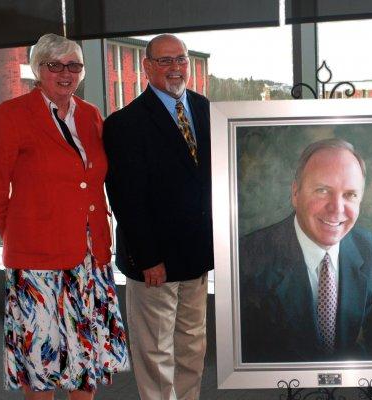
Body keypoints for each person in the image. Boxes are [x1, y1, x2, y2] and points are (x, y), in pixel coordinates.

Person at [0, 33, 128, 400]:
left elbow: (92, 182)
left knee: (84, 359)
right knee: (41, 363)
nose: (65, 73)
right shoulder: (11, 116)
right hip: (37, 263)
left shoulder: (91, 115)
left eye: (74, 65)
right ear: (37, 68)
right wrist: (25, 231)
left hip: (90, 258)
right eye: (54, 65)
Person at [103, 34, 212, 400]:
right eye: (164, 61)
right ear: (147, 66)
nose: (174, 68)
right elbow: (126, 200)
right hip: (155, 264)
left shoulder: (206, 109)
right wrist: (149, 259)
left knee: (191, 348)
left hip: (197, 259)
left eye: (180, 59)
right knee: (155, 352)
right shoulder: (125, 124)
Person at [239, 138, 372, 363]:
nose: (336, 209)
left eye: (350, 194)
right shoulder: (249, 257)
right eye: (322, 190)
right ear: (295, 193)